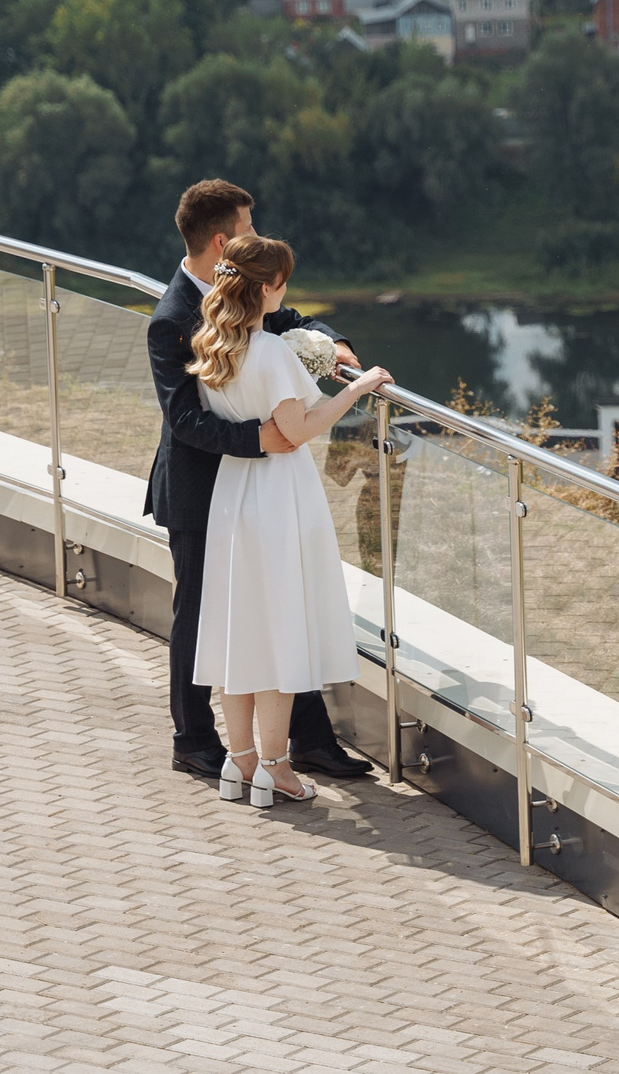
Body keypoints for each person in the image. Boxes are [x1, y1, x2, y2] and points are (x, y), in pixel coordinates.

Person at [145, 179, 373, 784]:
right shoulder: (170, 318)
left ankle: (308, 741)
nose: (258, 236)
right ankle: (194, 740)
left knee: (279, 607)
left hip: (258, 491)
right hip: (199, 492)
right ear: (224, 242)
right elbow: (183, 421)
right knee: (198, 617)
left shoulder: (246, 291)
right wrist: (263, 440)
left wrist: (337, 346)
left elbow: (290, 318)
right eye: (249, 228)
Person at [187, 235, 393, 806]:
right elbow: (297, 430)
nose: (288, 292)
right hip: (278, 497)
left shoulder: (214, 342)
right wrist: (358, 386)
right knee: (278, 629)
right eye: (283, 283)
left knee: (240, 632)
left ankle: (240, 759)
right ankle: (275, 770)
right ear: (266, 287)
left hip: (233, 491)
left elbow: (267, 428)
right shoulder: (272, 353)